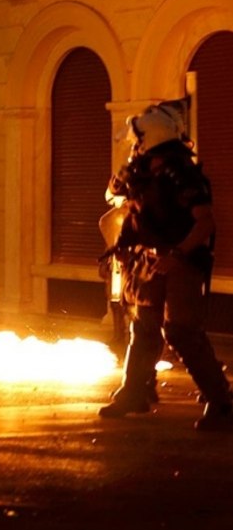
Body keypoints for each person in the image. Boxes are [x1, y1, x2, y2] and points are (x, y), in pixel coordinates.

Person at [97, 101, 232, 430]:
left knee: (181, 331)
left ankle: (222, 402)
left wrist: (179, 255)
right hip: (149, 259)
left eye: (138, 139)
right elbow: (119, 204)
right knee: (143, 327)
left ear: (151, 136)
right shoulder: (141, 170)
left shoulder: (181, 172)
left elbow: (205, 223)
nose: (134, 145)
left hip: (180, 260)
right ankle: (134, 393)